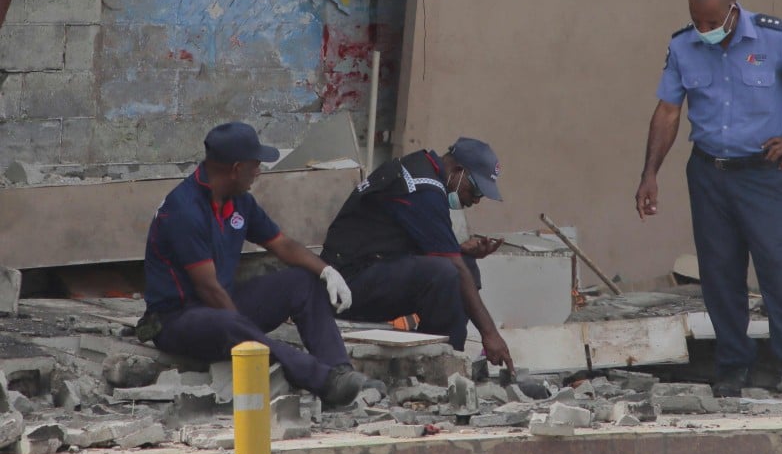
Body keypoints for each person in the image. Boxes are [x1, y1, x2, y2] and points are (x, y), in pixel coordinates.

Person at [635, 0, 782, 397]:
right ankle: (734, 366)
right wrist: (650, 173)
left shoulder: (774, 37)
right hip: (709, 174)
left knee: (774, 269)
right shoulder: (682, 45)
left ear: (734, 9)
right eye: (697, 20)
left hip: (761, 174)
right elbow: (668, 113)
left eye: (712, 22)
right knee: (719, 273)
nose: (704, 30)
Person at [141, 121, 375, 407]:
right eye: (256, 164)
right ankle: (322, 381)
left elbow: (282, 245)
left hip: (221, 308)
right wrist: (243, 330)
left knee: (302, 281)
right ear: (236, 168)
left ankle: (341, 373)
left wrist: (326, 270)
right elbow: (209, 289)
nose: (259, 171)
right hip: (177, 320)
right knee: (229, 322)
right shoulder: (184, 211)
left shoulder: (240, 202)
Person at [320, 137, 515, 374]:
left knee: (464, 265)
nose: (474, 200)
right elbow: (449, 264)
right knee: (446, 273)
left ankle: (442, 353)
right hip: (345, 285)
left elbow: (413, 240)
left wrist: (460, 251)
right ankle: (442, 367)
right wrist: (490, 334)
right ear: (458, 171)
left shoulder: (420, 168)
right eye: (474, 190)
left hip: (373, 267)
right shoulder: (423, 189)